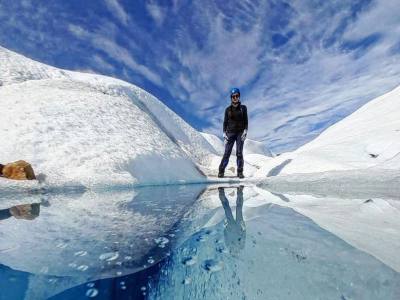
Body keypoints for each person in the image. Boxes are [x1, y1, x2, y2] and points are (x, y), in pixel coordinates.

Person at [218, 88, 248, 178]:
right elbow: (225, 122)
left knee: (239, 153)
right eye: (233, 96)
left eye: (237, 96)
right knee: (227, 152)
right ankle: (221, 171)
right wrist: (224, 133)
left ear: (239, 96)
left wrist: (245, 131)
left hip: (240, 134)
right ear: (231, 98)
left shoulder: (243, 108)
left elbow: (246, 121)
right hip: (230, 133)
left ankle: (240, 172)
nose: (235, 98)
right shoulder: (227, 110)